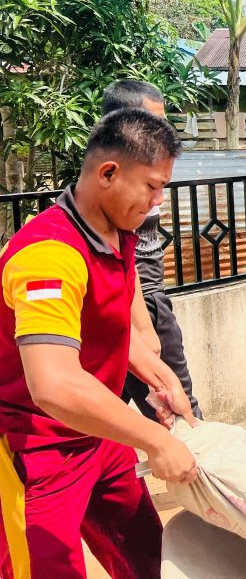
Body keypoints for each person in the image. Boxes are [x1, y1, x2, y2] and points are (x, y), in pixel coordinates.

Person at [0, 110, 199, 579]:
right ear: (109, 173)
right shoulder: (48, 257)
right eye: (152, 186)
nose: (158, 201)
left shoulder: (115, 232)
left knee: (151, 557)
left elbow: (96, 326)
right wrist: (154, 439)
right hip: (36, 451)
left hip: (100, 434)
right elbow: (54, 385)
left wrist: (152, 369)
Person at [102, 80, 203, 421]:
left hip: (139, 302)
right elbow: (121, 259)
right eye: (152, 124)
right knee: (180, 413)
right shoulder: (115, 184)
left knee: (110, 413)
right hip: (141, 301)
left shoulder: (135, 172)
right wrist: (143, 326)